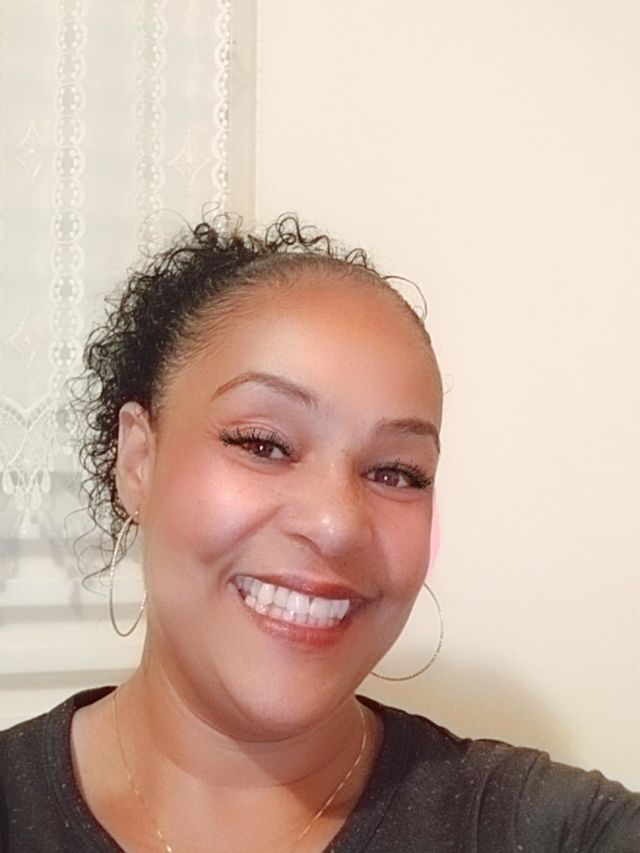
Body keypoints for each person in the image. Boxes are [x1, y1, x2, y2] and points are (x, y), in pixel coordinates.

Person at [0, 215, 638, 853]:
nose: (336, 525)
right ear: (139, 460)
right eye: (263, 444)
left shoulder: (554, 830)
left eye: (396, 472)